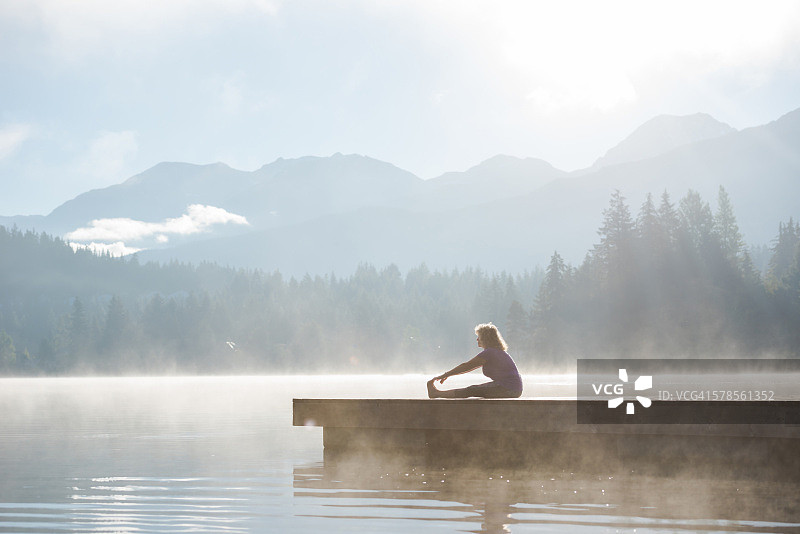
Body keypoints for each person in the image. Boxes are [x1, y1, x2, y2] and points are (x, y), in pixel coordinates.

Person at [427, 323, 523, 398]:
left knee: (472, 390)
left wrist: (445, 375)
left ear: (485, 338)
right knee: (475, 389)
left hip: (508, 388)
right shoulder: (496, 352)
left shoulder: (490, 352)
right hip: (513, 389)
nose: (477, 339)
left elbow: (466, 366)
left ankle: (436, 394)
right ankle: (437, 393)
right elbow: (468, 367)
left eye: (479, 337)